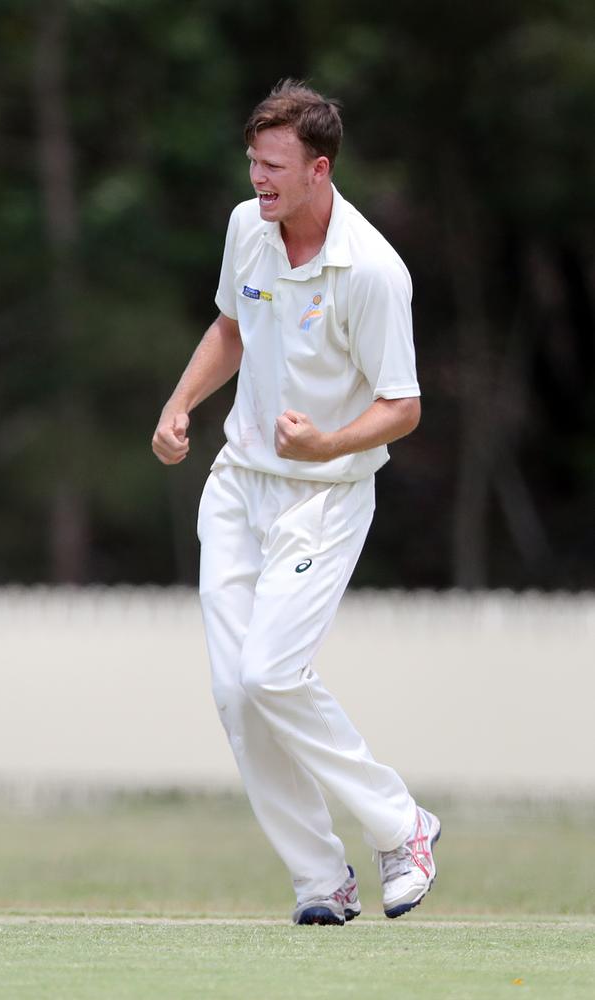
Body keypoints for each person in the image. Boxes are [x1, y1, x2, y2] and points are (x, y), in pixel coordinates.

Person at [152, 80, 440, 926]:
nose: (259, 181)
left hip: (325, 497)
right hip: (240, 486)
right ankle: (322, 880)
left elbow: (403, 404)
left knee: (272, 671)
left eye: (275, 168)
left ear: (320, 169)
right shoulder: (251, 229)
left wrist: (324, 443)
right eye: (253, 163)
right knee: (239, 694)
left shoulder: (374, 271)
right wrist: (180, 405)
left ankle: (403, 827)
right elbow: (231, 330)